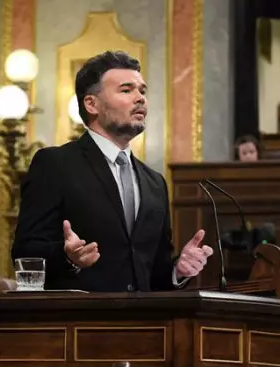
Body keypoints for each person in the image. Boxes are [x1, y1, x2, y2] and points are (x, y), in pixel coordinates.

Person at [11, 51, 213, 292]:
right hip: (81, 322)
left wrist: (178, 270)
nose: (140, 98)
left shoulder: (155, 183)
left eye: (142, 91)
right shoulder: (55, 164)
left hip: (145, 325)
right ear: (92, 104)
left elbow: (153, 272)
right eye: (126, 90)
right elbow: (25, 251)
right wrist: (67, 257)